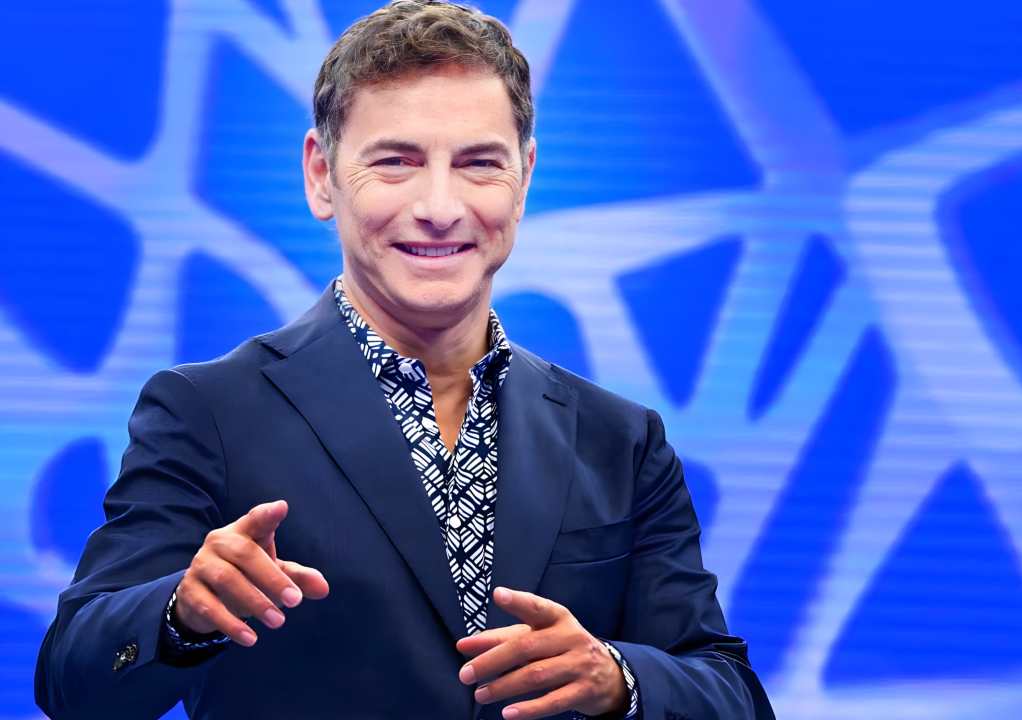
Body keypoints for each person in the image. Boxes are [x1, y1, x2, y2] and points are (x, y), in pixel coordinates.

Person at [33, 2, 774, 718]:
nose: (440, 207)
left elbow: (729, 691)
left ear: (524, 178)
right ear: (321, 175)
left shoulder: (621, 440)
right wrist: (179, 614)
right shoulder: (208, 412)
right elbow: (73, 681)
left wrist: (616, 678)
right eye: (396, 162)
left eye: (479, 163)